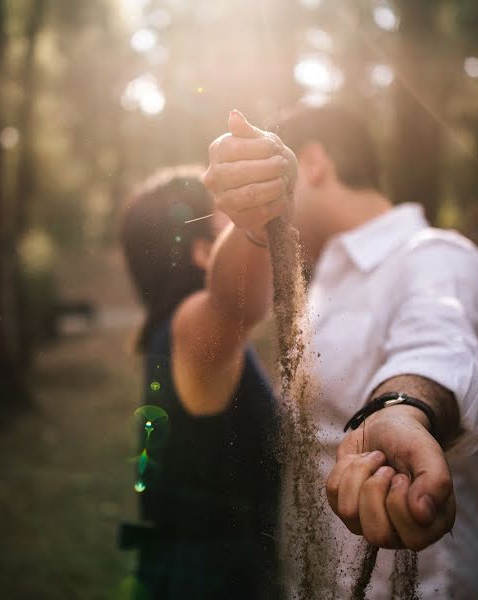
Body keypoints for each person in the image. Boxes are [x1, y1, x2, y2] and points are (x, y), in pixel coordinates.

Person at [202, 107, 478, 599]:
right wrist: (253, 221)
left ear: (314, 162)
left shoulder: (434, 256)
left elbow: (436, 341)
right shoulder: (324, 283)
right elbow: (225, 303)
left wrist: (402, 409)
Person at [117, 166, 281, 599]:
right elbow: (237, 300)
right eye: (223, 215)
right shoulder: (193, 329)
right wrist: (256, 220)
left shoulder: (174, 333)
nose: (234, 220)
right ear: (201, 252)